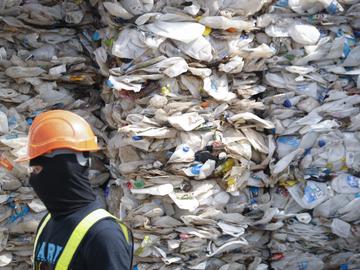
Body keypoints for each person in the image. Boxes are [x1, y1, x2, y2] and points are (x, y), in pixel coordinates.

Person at [15, 110, 133, 270]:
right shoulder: (48, 222)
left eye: (37, 170)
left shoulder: (103, 235)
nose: (34, 180)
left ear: (62, 170)